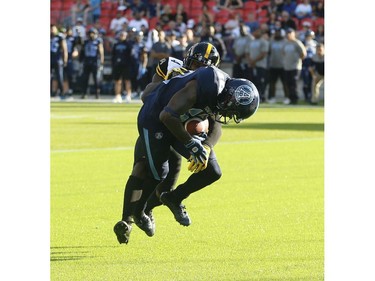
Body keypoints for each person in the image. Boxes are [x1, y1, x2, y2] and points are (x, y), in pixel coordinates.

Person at [113, 43, 225, 244]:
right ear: (187, 59)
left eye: (202, 67)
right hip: (159, 126)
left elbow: (216, 124)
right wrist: (175, 82)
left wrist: (206, 147)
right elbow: (147, 95)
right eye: (194, 64)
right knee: (142, 168)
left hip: (185, 133)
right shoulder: (171, 66)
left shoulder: (211, 84)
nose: (196, 70)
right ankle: (127, 221)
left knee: (201, 173)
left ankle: (153, 207)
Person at [282, 27, 306, 105]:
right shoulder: (285, 43)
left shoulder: (297, 43)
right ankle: (289, 98)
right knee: (288, 83)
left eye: (290, 33)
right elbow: (283, 53)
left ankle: (295, 99)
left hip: (295, 67)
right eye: (287, 33)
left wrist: (298, 61)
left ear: (293, 34)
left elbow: (303, 53)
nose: (288, 35)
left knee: (294, 84)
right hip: (287, 66)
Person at [80, 27, 104, 99]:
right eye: (90, 33)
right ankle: (84, 93)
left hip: (95, 61)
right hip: (87, 61)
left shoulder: (98, 41)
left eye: (93, 33)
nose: (91, 35)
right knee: (85, 78)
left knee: (96, 79)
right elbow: (82, 50)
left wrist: (101, 61)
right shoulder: (86, 41)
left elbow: (101, 51)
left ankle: (97, 93)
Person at [246, 28, 269, 103]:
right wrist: (250, 61)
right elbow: (247, 52)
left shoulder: (264, 42)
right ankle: (253, 97)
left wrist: (254, 61)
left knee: (260, 82)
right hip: (251, 65)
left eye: (257, 31)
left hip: (260, 65)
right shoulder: (251, 42)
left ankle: (261, 96)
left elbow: (264, 53)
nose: (256, 33)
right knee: (252, 81)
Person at [111, 31, 133, 103]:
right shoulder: (116, 44)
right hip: (117, 65)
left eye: (123, 35)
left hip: (126, 64)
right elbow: (113, 55)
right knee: (117, 81)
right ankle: (117, 96)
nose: (122, 36)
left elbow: (131, 55)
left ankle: (128, 95)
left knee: (127, 80)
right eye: (121, 35)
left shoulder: (128, 44)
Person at [267, 27, 288, 104]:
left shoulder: (285, 42)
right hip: (273, 65)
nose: (277, 34)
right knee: (272, 83)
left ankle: (287, 97)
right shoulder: (271, 42)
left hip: (283, 66)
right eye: (276, 32)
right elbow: (268, 52)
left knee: (285, 83)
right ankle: (271, 97)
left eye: (278, 32)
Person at [50, 24, 68, 99]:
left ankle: (62, 92)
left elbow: (64, 49)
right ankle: (52, 92)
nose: (51, 30)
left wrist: (65, 59)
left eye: (53, 29)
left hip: (57, 59)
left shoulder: (60, 37)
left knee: (59, 76)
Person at [63, 26, 80, 99]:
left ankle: (70, 90)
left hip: (70, 59)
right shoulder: (63, 39)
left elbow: (78, 43)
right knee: (63, 76)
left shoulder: (72, 39)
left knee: (71, 76)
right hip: (62, 58)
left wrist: (78, 34)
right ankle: (64, 91)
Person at [301, 29, 318, 103]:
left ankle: (311, 96)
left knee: (312, 82)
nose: (309, 37)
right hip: (305, 64)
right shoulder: (303, 43)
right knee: (306, 82)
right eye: (308, 36)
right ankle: (306, 96)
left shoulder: (315, 43)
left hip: (313, 64)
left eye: (310, 36)